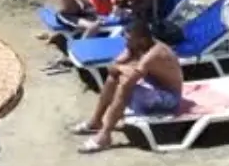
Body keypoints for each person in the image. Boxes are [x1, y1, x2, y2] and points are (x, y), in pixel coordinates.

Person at [71, 18, 184, 153]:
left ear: (142, 40)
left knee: (124, 86)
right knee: (113, 78)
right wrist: (120, 68)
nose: (126, 42)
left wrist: (121, 70)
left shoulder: (154, 54)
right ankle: (96, 121)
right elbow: (113, 66)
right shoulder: (137, 45)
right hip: (153, 88)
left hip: (169, 99)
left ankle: (105, 135)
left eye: (129, 39)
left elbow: (129, 79)